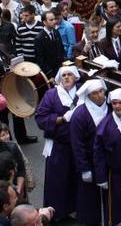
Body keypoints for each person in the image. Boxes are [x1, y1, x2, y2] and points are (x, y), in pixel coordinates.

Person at [34, 66, 79, 220]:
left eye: (70, 75)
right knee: (57, 181)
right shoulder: (51, 95)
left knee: (76, 179)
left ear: (76, 77)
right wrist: (60, 119)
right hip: (58, 146)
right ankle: (55, 214)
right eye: (63, 75)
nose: (66, 77)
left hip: (77, 146)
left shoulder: (81, 94)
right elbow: (40, 119)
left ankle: (74, 209)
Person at [69, 79, 108, 226]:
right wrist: (84, 168)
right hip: (89, 161)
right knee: (89, 197)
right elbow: (77, 144)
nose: (99, 96)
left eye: (101, 91)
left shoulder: (109, 108)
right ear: (88, 96)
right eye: (94, 93)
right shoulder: (80, 114)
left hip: (106, 160)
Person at [94, 88, 121, 225]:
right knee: (116, 209)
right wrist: (101, 177)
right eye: (114, 103)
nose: (117, 106)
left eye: (120, 103)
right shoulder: (105, 125)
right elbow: (98, 153)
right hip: (115, 176)